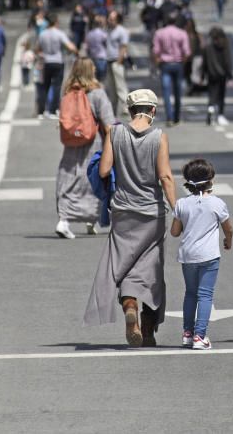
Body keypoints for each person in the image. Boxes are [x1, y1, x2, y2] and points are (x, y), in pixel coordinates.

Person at [85, 89, 176, 348]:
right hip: (152, 214)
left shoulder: (115, 133)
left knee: (124, 265)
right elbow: (165, 176)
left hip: (123, 211)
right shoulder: (159, 137)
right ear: (153, 111)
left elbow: (104, 169)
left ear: (129, 110)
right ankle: (147, 329)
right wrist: (178, 208)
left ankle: (130, 305)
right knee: (151, 269)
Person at [170, 158, 233, 350]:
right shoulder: (217, 203)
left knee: (190, 293)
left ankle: (187, 334)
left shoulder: (182, 204)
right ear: (211, 180)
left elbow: (174, 232)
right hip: (209, 256)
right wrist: (227, 241)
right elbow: (228, 228)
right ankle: (200, 336)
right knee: (205, 294)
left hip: (188, 255)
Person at [55, 58, 116, 239]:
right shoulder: (97, 93)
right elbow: (108, 123)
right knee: (92, 179)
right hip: (93, 141)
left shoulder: (67, 93)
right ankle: (90, 218)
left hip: (72, 143)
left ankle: (64, 219)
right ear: (90, 71)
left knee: (69, 178)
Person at [36, 13, 78, 119]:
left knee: (44, 87)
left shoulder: (42, 34)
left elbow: (37, 48)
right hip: (58, 62)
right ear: (56, 22)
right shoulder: (59, 34)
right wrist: (75, 51)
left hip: (46, 62)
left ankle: (42, 111)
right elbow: (70, 47)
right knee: (56, 87)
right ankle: (53, 110)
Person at [151, 15, 191, 125]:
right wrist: (183, 62)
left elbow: (155, 51)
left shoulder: (159, 33)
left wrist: (157, 62)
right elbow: (187, 52)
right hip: (178, 64)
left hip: (165, 64)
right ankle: (177, 117)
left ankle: (169, 117)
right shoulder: (182, 33)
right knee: (178, 91)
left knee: (166, 92)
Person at [203, 26, 232, 126]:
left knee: (212, 95)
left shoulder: (208, 47)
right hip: (222, 75)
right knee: (221, 96)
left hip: (211, 74)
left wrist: (203, 75)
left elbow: (204, 63)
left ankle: (210, 109)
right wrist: (230, 74)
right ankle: (220, 115)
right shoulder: (224, 45)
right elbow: (227, 61)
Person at [105, 11, 130, 117]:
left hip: (117, 61)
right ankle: (113, 110)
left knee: (121, 86)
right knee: (112, 88)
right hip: (109, 60)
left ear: (117, 20)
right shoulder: (109, 30)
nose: (109, 20)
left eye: (112, 19)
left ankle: (127, 107)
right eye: (109, 18)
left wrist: (119, 61)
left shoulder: (121, 31)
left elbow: (124, 46)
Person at [83, 13, 109, 82]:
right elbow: (107, 44)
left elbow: (87, 47)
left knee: (95, 79)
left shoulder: (89, 34)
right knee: (102, 79)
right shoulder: (102, 34)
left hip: (93, 58)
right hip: (102, 57)